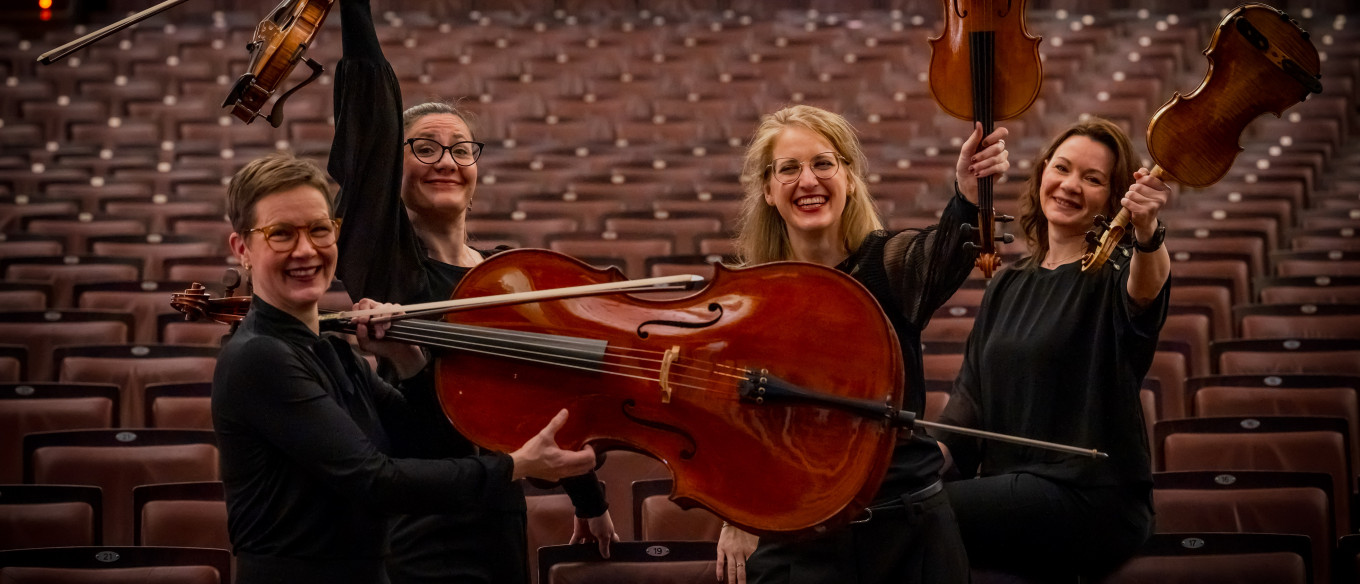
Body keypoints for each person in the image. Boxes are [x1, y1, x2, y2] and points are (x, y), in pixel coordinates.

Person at [327, 1, 616, 582]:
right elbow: (367, 115)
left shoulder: (506, 279)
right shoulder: (388, 265)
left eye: (461, 149)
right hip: (419, 517)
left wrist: (588, 497)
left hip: (501, 514)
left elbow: (540, 392)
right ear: (394, 164)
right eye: (425, 148)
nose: (447, 162)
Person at [212, 152, 599, 584]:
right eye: (281, 234)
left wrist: (407, 359)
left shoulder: (334, 353)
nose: (306, 251)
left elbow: (437, 448)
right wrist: (517, 466)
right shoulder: (260, 357)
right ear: (242, 249)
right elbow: (374, 480)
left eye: (320, 230)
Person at [716, 104, 1011, 584]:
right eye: (788, 169)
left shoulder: (889, 268)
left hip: (908, 534)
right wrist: (738, 513)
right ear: (768, 191)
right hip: (801, 539)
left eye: (823, 163)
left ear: (849, 179)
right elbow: (736, 422)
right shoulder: (751, 299)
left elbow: (940, 254)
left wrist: (965, 193)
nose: (807, 180)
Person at [935, 116, 1171, 581]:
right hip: (1012, 493)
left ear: (1114, 196)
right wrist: (908, 464)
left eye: (1093, 178)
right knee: (891, 503)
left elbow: (1147, 290)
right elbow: (968, 408)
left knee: (915, 514)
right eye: (1061, 168)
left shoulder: (1116, 271)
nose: (1070, 185)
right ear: (1042, 171)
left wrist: (1148, 233)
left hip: (1090, 494)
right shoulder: (1007, 283)